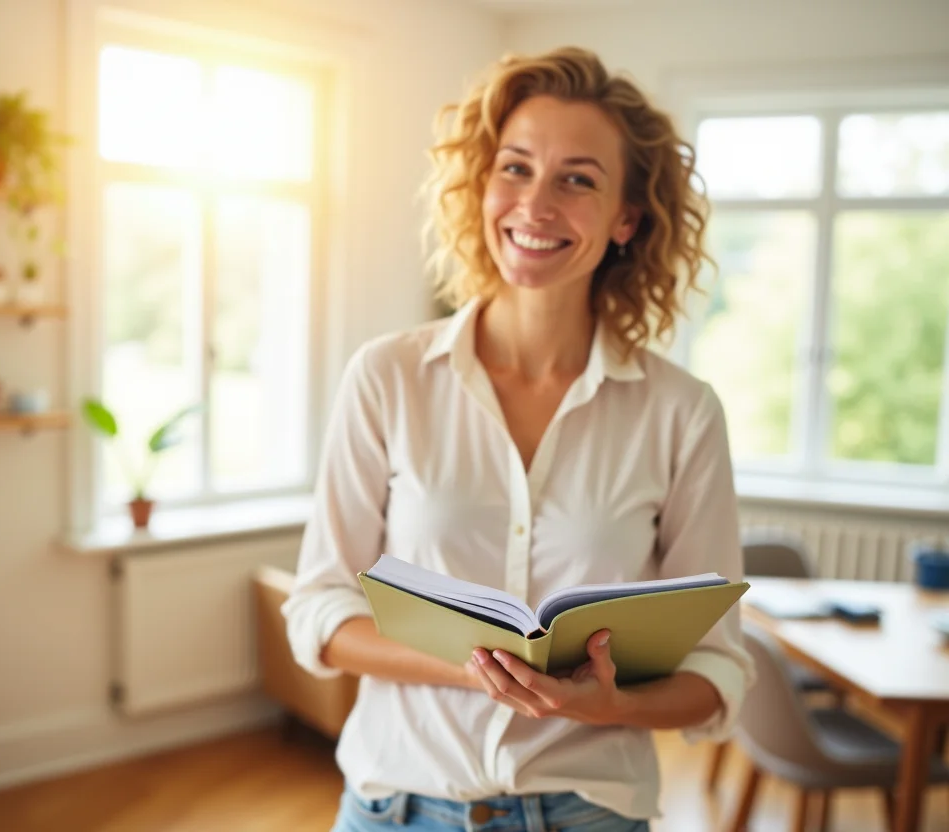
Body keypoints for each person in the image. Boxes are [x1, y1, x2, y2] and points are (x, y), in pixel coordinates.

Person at [283, 47, 754, 832]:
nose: (535, 204)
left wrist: (610, 704)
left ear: (626, 219)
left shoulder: (683, 412)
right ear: (482, 185)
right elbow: (321, 612)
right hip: (392, 805)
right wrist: (481, 672)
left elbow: (717, 668)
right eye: (516, 167)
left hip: (588, 812)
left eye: (578, 178)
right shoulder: (388, 376)